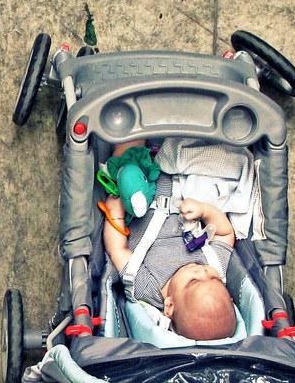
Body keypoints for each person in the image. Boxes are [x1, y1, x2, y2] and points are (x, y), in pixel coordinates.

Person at [101, 142, 238, 342]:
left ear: (169, 306)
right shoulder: (215, 265)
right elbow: (225, 234)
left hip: (141, 189)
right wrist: (204, 210)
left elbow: (117, 249)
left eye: (194, 281)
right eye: (214, 279)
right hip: (182, 182)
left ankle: (134, 127)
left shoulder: (146, 287)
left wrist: (115, 211)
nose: (202, 271)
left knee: (125, 156)